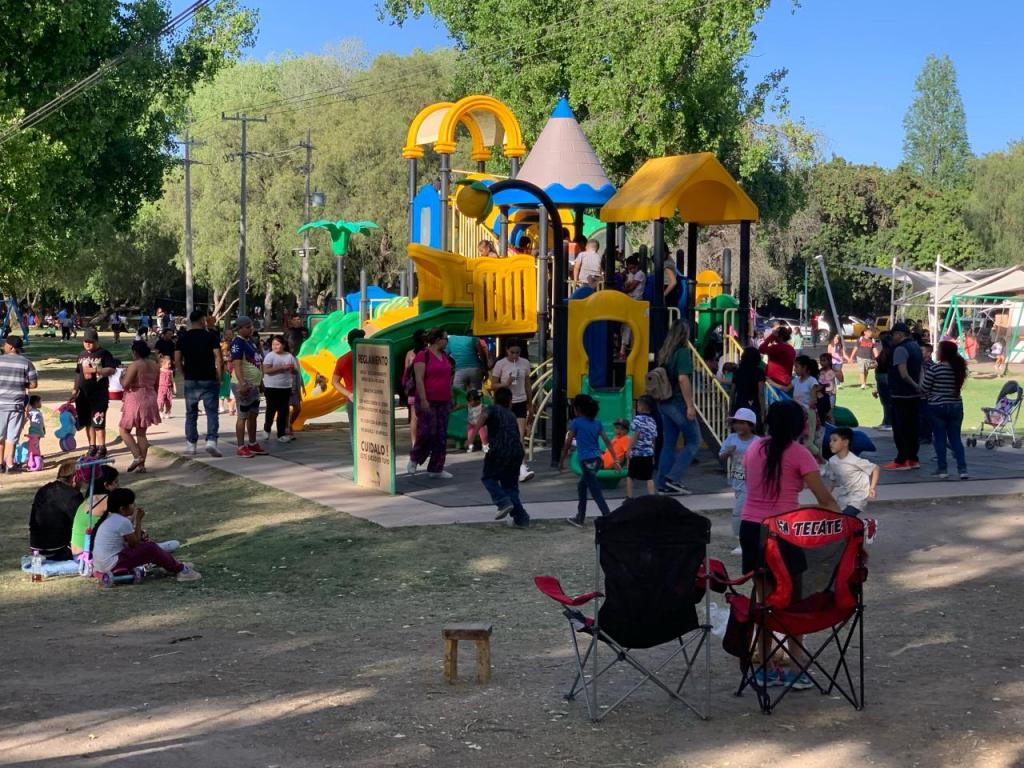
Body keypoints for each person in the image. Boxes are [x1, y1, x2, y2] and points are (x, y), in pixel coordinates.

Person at [740, 400, 840, 689]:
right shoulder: (800, 454)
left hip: (752, 528)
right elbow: (824, 499)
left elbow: (752, 486)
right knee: (795, 598)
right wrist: (847, 522)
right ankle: (796, 666)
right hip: (785, 531)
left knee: (763, 599)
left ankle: (765, 665)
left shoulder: (754, 449)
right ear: (800, 427)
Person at [91, 487, 201, 582]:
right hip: (112, 564)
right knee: (151, 548)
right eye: (132, 504)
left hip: (101, 565)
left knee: (147, 546)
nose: (134, 506)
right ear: (122, 508)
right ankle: (181, 570)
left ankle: (170, 563)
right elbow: (135, 543)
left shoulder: (110, 518)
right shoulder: (122, 521)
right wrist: (138, 520)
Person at [654, 320, 699, 495]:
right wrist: (690, 406)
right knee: (694, 441)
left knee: (668, 444)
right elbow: (683, 379)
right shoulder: (682, 353)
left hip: (663, 402)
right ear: (685, 335)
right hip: (678, 402)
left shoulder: (664, 353)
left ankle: (661, 483)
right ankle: (674, 478)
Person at [560, 393, 619, 526]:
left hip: (586, 461)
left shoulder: (576, 423)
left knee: (595, 490)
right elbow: (607, 442)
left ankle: (608, 516)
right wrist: (615, 459)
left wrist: (562, 459)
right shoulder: (597, 423)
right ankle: (580, 516)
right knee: (582, 486)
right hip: (597, 460)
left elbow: (568, 442)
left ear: (578, 409)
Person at [479, 387, 529, 528]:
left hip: (499, 450)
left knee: (488, 477)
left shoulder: (492, 409)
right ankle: (521, 518)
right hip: (516, 452)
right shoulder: (511, 415)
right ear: (510, 401)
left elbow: (482, 419)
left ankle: (502, 501)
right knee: (510, 486)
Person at [407, 327, 455, 479]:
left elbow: (449, 378)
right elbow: (419, 379)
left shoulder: (446, 356)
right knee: (426, 432)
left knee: (441, 435)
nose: (447, 341)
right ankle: (415, 458)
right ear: (438, 339)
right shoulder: (423, 355)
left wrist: (451, 395)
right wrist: (424, 399)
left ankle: (436, 468)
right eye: (445, 338)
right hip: (427, 399)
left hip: (444, 399)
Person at [175, 309, 223, 457]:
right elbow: (218, 358)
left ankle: (191, 445)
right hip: (209, 378)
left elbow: (177, 359)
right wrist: (219, 377)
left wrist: (183, 372)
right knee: (212, 412)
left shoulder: (183, 337)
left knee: (191, 413)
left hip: (191, 379)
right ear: (202, 320)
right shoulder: (211, 337)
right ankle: (211, 441)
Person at [921, 340, 969, 480]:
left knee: (940, 438)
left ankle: (943, 469)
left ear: (943, 352)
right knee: (955, 439)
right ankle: (962, 469)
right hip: (956, 406)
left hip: (937, 407)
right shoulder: (958, 369)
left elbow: (924, 388)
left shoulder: (935, 369)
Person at [490, 340, 535, 482]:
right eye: (512, 352)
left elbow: (527, 384)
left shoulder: (524, 363)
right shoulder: (500, 364)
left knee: (520, 436)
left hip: (520, 401)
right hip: (504, 402)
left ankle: (522, 466)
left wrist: (530, 403)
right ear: (506, 350)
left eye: (517, 353)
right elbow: (493, 385)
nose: (514, 355)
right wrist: (506, 383)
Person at [71, 328, 117, 458]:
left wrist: (95, 370)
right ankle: (92, 446)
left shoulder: (104, 353)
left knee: (98, 421)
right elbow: (77, 373)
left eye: (90, 342)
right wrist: (75, 389)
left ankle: (102, 447)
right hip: (83, 395)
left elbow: (111, 370)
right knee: (87, 422)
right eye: (85, 342)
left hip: (98, 394)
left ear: (96, 341)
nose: (87, 344)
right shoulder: (81, 355)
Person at [884, 322, 923, 471]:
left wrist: (914, 385)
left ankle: (902, 460)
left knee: (900, 429)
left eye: (893, 334)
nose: (892, 337)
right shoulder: (916, 348)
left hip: (901, 394)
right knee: (913, 428)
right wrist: (919, 387)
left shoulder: (900, 349)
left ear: (899, 334)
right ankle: (913, 459)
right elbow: (920, 370)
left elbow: (903, 374)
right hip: (914, 396)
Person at [28, 459, 84, 561]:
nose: (83, 483)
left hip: (36, 548)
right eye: (82, 480)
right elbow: (83, 523)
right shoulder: (73, 496)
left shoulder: (43, 489)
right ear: (75, 478)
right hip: (58, 550)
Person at [118, 340, 160, 473]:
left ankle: (137, 456)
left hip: (136, 397)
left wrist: (121, 376)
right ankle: (142, 466)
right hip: (150, 396)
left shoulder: (135, 365)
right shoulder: (154, 364)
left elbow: (125, 384)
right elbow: (157, 384)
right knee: (141, 432)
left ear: (135, 352)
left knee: (124, 430)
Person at [719, 407, 757, 553]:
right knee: (747, 512)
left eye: (743, 423)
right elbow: (721, 455)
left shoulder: (757, 441)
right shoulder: (732, 438)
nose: (738, 426)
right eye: (736, 422)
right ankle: (748, 540)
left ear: (751, 425)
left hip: (752, 483)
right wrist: (728, 452)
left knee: (738, 513)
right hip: (737, 481)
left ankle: (741, 542)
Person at [230, 316, 267, 458]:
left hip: (255, 385)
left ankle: (252, 443)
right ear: (239, 329)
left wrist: (261, 382)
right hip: (244, 385)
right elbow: (237, 364)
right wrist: (242, 383)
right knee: (243, 415)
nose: (251, 329)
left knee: (253, 414)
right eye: (247, 327)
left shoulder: (250, 342)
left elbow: (257, 362)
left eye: (251, 326)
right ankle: (241, 446)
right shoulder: (237, 343)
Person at [0, 334, 38, 473]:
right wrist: (21, 383)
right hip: (16, 404)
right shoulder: (26, 362)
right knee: (12, 435)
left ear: (10, 346)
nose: (4, 346)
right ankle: (10, 463)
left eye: (5, 344)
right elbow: (33, 384)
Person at [822, 427, 880, 516]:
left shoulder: (854, 460)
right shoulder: (832, 461)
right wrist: (827, 493)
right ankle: (863, 527)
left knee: (847, 517)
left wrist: (872, 488)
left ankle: (864, 526)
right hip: (844, 497)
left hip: (858, 497)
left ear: (845, 442)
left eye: (835, 440)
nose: (831, 443)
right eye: (830, 441)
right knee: (839, 520)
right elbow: (833, 479)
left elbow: (875, 468)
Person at [331, 328, 366, 459]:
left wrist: (348, 394)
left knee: (355, 430)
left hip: (352, 399)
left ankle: (357, 458)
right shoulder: (370, 357)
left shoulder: (343, 359)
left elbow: (334, 382)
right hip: (369, 397)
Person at [69, 464, 120, 555]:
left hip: (76, 553)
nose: (118, 485)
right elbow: (123, 528)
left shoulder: (88, 499)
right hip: (87, 555)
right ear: (106, 485)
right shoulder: (106, 500)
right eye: (116, 482)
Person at [262, 335, 299, 444]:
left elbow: (296, 372)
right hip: (271, 387)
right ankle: (267, 429)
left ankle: (281, 434)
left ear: (283, 345)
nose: (275, 346)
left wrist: (292, 369)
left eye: (277, 344)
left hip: (285, 387)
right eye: (273, 344)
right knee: (271, 409)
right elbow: (266, 370)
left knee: (283, 411)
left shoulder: (289, 356)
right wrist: (282, 368)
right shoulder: (270, 356)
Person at [626, 395, 658, 498]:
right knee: (649, 477)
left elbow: (635, 435)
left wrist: (629, 449)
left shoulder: (637, 419)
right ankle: (652, 497)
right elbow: (653, 439)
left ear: (642, 408)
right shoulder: (653, 421)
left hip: (637, 453)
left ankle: (629, 497)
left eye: (638, 406)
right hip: (648, 453)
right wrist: (653, 454)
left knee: (630, 476)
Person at [730, 346, 767, 431]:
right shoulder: (759, 372)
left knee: (738, 434)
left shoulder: (738, 371)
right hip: (753, 406)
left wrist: (730, 410)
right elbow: (761, 393)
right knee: (754, 434)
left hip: (739, 405)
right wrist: (763, 412)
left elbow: (732, 393)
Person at [618, 256, 646, 359]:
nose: (631, 270)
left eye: (633, 268)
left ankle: (623, 349)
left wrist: (620, 290)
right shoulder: (630, 274)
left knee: (629, 325)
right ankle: (624, 347)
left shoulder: (640, 274)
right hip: (628, 301)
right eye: (629, 268)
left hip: (636, 301)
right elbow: (626, 285)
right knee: (625, 325)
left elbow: (630, 287)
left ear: (637, 266)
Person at [402, 329, 427, 443]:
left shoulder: (410, 353)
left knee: (414, 417)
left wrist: (404, 387)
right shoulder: (428, 353)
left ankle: (414, 442)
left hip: (412, 389)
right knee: (426, 416)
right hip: (426, 388)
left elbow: (406, 372)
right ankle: (425, 442)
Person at [758, 325, 796, 390]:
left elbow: (761, 349)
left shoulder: (777, 348)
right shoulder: (791, 349)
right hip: (786, 380)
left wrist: (771, 336)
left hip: (774, 380)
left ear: (780, 337)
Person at [25, 394, 45, 471]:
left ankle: (37, 453)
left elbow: (41, 421)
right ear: (36, 403)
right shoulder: (32, 411)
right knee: (34, 444)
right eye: (40, 402)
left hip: (39, 430)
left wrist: (43, 428)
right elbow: (26, 417)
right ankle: (32, 455)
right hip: (34, 430)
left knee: (37, 443)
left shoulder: (38, 411)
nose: (41, 404)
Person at [219, 327, 235, 416]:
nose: (229, 336)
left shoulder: (235, 344)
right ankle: (221, 406)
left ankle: (231, 406)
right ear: (224, 335)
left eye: (230, 334)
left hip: (233, 368)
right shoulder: (221, 345)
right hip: (224, 368)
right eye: (227, 334)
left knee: (231, 388)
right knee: (223, 387)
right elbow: (218, 357)